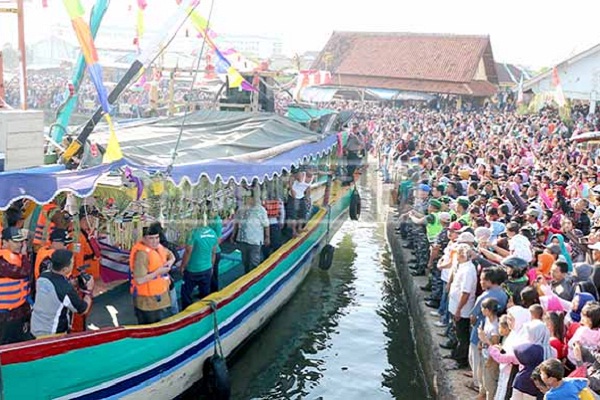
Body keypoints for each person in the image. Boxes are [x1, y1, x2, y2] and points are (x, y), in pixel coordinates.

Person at [30, 249, 93, 337]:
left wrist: (71, 283)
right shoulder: (66, 291)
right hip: (52, 334)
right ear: (65, 269)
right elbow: (83, 309)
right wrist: (89, 291)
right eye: (72, 262)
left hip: (36, 328)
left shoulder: (43, 276)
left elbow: (56, 283)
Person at [129, 225, 175, 324]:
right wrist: (158, 272)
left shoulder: (158, 247)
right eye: (151, 238)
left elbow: (170, 254)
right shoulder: (142, 255)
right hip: (147, 302)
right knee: (150, 328)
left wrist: (171, 261)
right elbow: (139, 280)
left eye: (157, 238)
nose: (155, 241)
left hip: (158, 299)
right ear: (143, 239)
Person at [0, 227, 33, 344]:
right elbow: (23, 272)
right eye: (16, 241)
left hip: (19, 312)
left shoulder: (18, 258)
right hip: (4, 316)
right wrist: (24, 255)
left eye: (21, 241)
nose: (19, 245)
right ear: (4, 242)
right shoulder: (2, 261)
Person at [180, 223, 218, 310]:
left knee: (186, 293)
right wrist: (211, 266)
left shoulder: (193, 233)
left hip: (192, 269)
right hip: (207, 268)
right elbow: (213, 252)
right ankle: (205, 310)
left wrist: (182, 266)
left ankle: (186, 311)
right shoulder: (213, 233)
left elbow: (188, 251)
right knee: (205, 291)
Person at [233, 192, 270, 273]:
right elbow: (236, 223)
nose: (246, 199)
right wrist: (233, 236)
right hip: (243, 239)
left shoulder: (260, 210)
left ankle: (255, 278)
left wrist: (267, 237)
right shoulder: (241, 209)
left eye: (248, 197)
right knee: (245, 261)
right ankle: (246, 275)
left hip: (255, 240)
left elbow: (266, 225)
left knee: (254, 261)